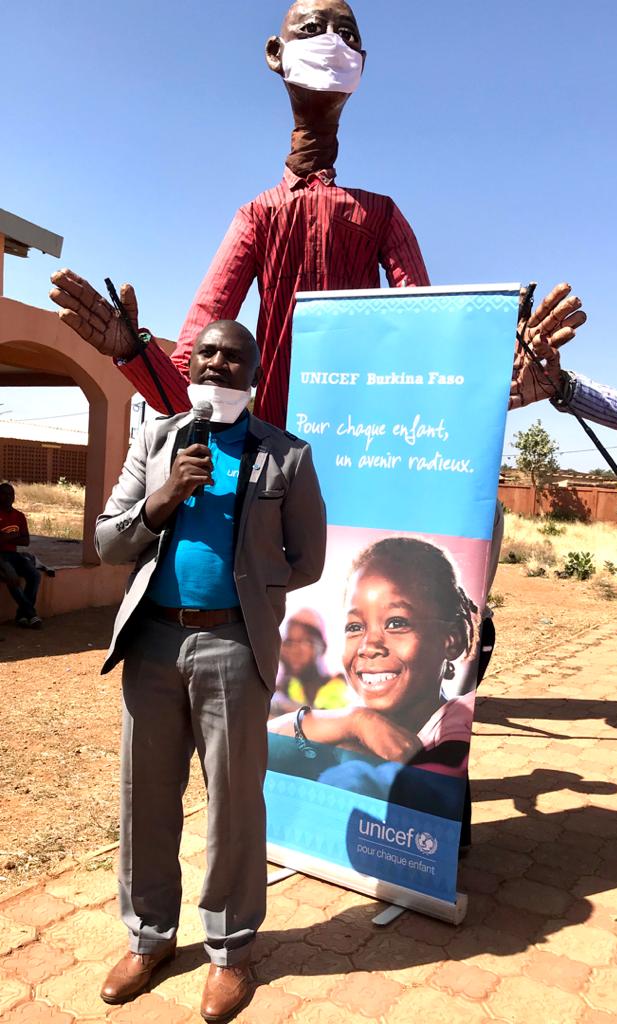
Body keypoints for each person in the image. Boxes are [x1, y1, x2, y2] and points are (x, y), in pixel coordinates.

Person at [49, 2, 586, 427]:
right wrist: (133, 353)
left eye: (348, 34)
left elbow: (429, 355)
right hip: (271, 470)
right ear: (274, 53)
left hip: (369, 451)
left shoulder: (380, 215)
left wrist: (503, 383)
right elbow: (195, 384)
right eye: (312, 29)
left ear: (363, 64)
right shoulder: (258, 216)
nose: (333, 43)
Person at [95, 320, 326, 1021]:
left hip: (233, 648)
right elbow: (109, 542)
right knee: (147, 799)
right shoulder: (156, 439)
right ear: (190, 363)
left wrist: (251, 580)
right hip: (154, 647)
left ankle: (229, 950)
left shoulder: (285, 454)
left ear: (253, 373)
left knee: (233, 805)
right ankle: (149, 938)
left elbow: (307, 557)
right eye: (209, 354)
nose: (220, 364)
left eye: (235, 356)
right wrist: (164, 495)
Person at [268, 535, 480, 800]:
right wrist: (356, 721)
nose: (369, 646)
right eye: (355, 627)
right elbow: (264, 743)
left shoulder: (455, 720)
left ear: (452, 640)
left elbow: (433, 787)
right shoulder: (358, 718)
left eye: (396, 623)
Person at [271, 608, 349, 716]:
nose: (294, 650)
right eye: (289, 642)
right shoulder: (289, 686)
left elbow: (328, 721)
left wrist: (281, 706)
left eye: (305, 642)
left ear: (323, 647)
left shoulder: (338, 687)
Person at [0, 482, 42, 628]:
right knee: (12, 577)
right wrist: (15, 535)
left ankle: (21, 615)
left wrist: (7, 536)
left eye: (11, 494)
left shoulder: (19, 516)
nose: (8, 497)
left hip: (14, 555)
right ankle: (31, 614)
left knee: (35, 575)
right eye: (4, 494)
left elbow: (26, 541)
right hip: (1, 557)